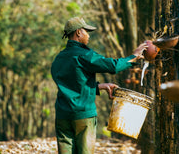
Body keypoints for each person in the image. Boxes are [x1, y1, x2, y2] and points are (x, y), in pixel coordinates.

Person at [51, 17, 147, 154]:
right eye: (86, 32)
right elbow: (112, 66)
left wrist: (99, 86)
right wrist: (133, 57)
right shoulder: (84, 55)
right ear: (78, 33)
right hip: (83, 116)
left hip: (62, 116)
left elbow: (71, 84)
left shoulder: (58, 59)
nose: (88, 35)